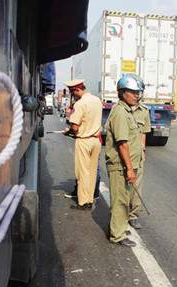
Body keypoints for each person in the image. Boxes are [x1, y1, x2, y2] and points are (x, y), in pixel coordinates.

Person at [104, 74, 151, 247]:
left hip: (129, 164)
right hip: (120, 166)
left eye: (137, 92)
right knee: (120, 200)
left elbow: (139, 137)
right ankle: (117, 235)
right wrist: (130, 169)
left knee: (124, 199)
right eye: (132, 92)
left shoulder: (129, 111)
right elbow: (122, 144)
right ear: (122, 93)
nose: (136, 95)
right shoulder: (120, 113)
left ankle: (118, 227)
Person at [63, 79, 102, 210]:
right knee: (92, 173)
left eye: (73, 93)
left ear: (77, 90)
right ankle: (90, 200)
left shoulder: (80, 104)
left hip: (84, 141)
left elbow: (74, 127)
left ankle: (83, 202)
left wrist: (67, 132)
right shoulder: (97, 101)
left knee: (82, 173)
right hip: (96, 140)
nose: (73, 96)